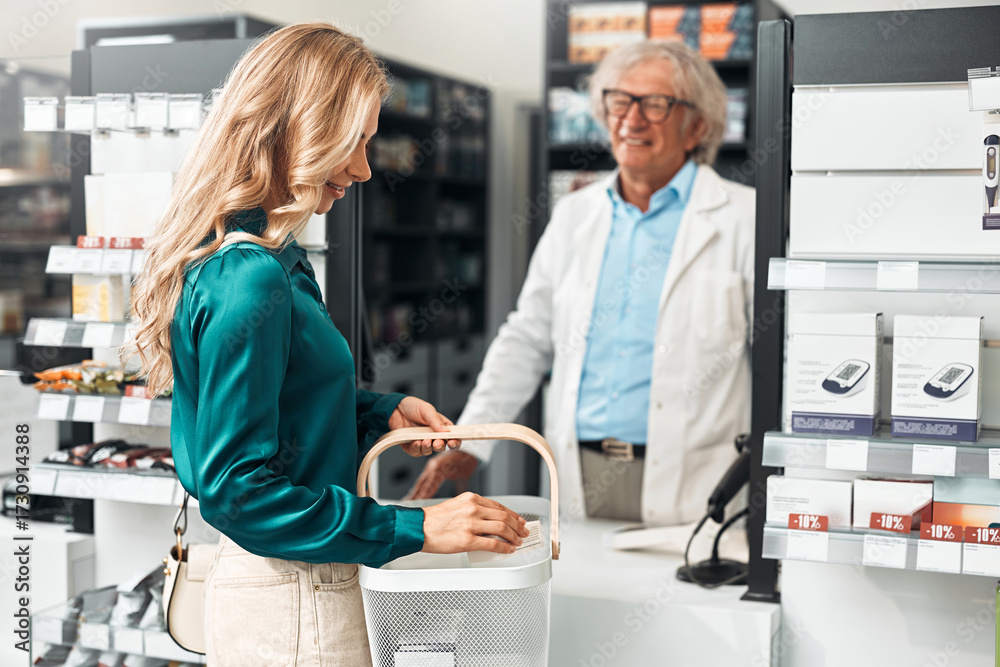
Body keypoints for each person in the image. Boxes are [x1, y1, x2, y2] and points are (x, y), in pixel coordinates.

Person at [126, 23, 528, 666]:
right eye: (356, 142)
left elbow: (278, 398)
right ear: (299, 126)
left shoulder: (269, 257)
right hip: (295, 599)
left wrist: (375, 412)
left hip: (302, 584)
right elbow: (240, 492)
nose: (365, 169)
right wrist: (418, 527)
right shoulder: (252, 278)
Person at [411, 40, 754, 530]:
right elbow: (528, 337)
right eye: (619, 101)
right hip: (580, 469)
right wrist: (472, 442)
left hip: (697, 473)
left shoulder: (744, 217)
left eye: (655, 104)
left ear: (697, 124)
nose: (631, 120)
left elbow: (777, 365)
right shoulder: (576, 214)